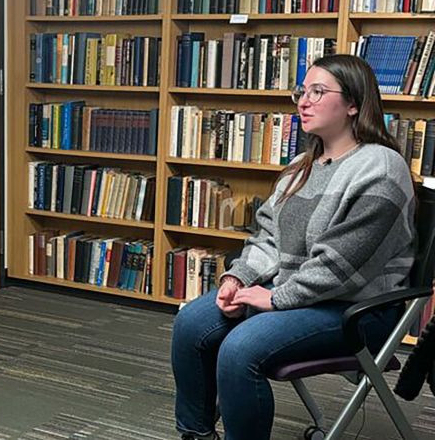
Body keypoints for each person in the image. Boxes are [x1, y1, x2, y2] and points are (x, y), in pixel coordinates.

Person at [171, 54, 416, 440]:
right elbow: (268, 236)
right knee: (190, 324)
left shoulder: (382, 168)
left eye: (318, 92)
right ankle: (196, 434)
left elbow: (342, 263)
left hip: (359, 309)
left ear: (353, 104)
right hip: (298, 293)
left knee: (240, 349)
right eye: (302, 92)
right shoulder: (303, 164)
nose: (303, 101)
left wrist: (276, 298)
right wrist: (239, 278)